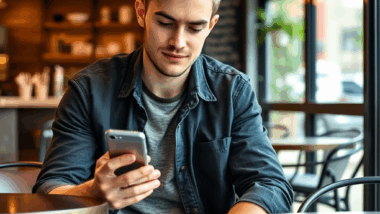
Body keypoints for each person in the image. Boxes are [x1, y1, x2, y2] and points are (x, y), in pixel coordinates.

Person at [33, 0, 294, 213]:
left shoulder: (233, 91)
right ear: (141, 12)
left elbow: (269, 184)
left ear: (211, 26)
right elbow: (50, 189)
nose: (178, 42)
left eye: (194, 28)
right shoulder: (89, 90)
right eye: (165, 23)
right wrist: (90, 192)